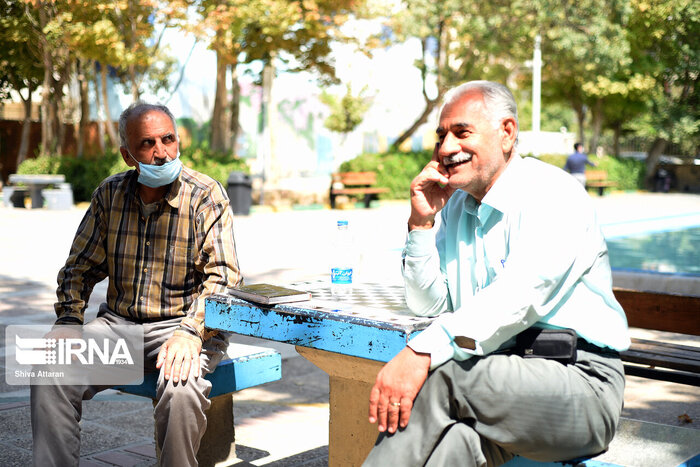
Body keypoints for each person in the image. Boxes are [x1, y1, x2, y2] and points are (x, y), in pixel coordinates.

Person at [364, 81, 630, 466]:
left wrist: (419, 352)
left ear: (506, 133)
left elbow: (519, 296)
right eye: (441, 136)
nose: (446, 148)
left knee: (441, 374)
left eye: (461, 132)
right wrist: (421, 225)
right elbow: (431, 304)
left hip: (579, 386)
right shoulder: (457, 209)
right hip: (498, 383)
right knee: (451, 446)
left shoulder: (553, 194)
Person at [31, 102, 242, 467]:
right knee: (49, 369)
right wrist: (67, 320)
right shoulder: (109, 194)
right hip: (120, 329)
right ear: (127, 155)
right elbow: (78, 267)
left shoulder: (206, 195)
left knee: (181, 389)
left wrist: (191, 332)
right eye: (147, 144)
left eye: (168, 139)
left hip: (183, 329)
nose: (161, 153)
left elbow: (224, 277)